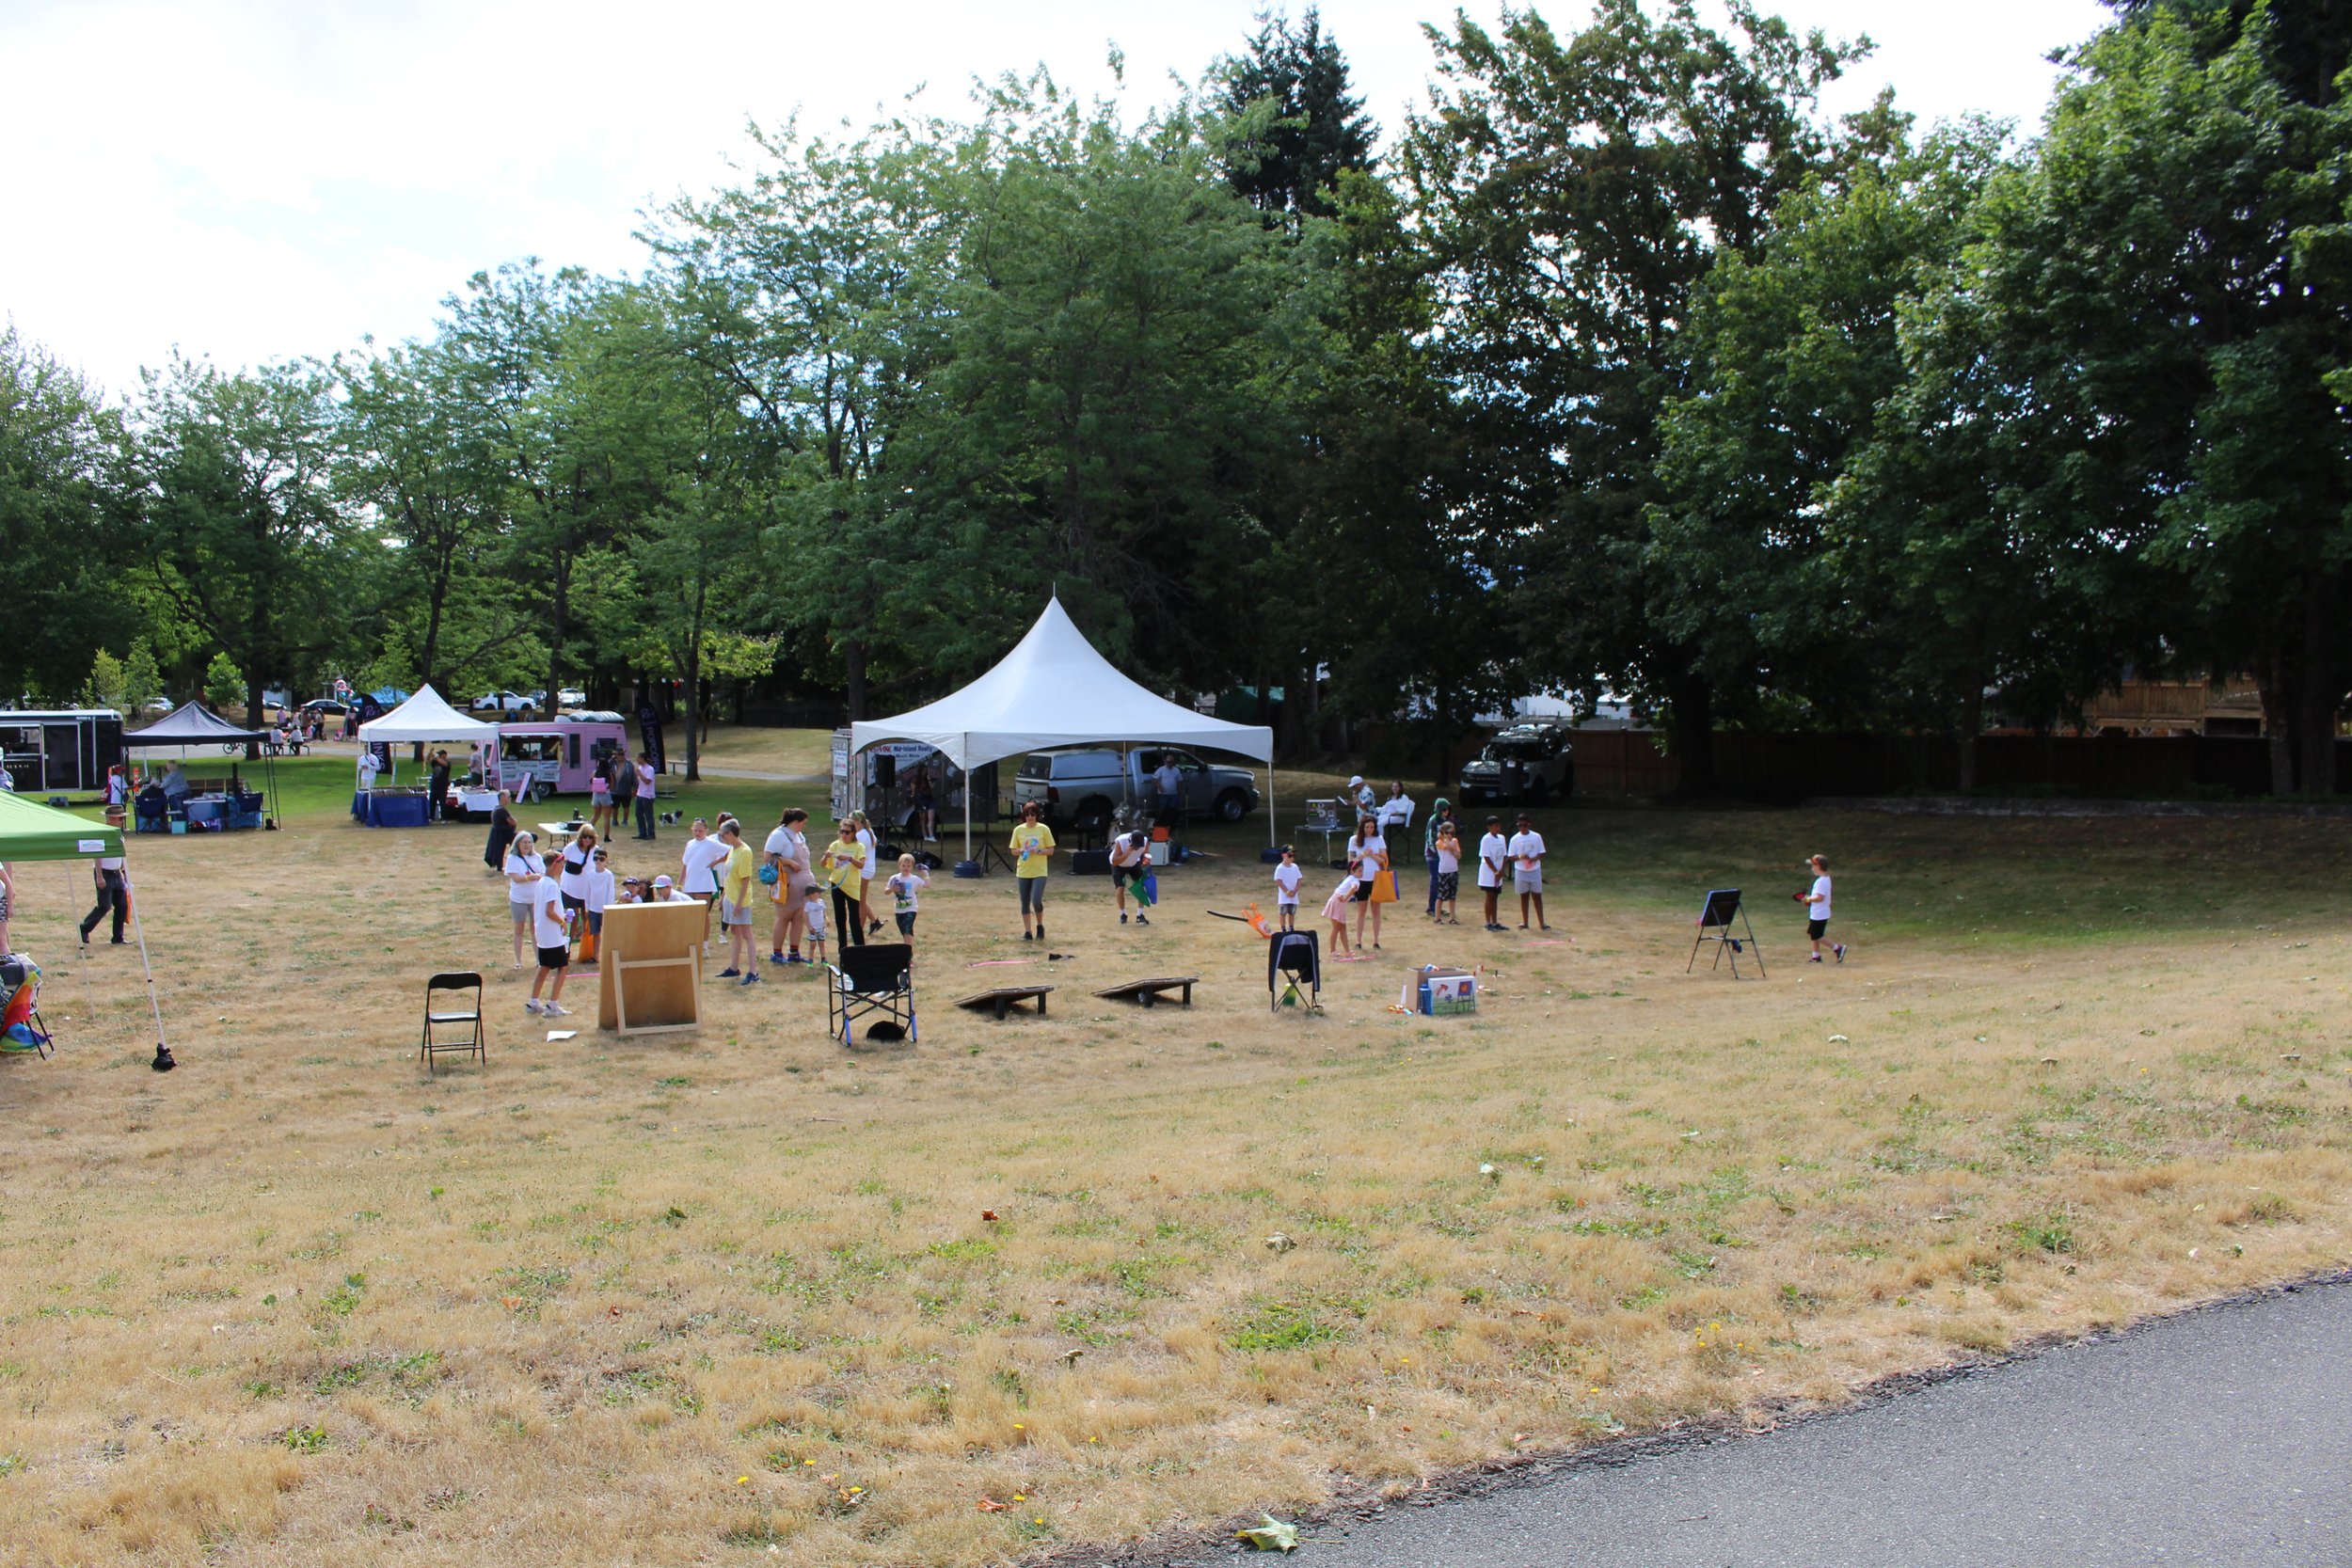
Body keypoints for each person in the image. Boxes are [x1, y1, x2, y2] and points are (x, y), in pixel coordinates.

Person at [766, 807, 814, 965]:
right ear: (795, 822)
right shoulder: (779, 835)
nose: (804, 826)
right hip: (787, 881)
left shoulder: (799, 835)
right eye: (803, 823)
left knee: (799, 918)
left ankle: (794, 952)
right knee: (784, 917)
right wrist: (789, 862)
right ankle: (777, 953)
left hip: (803, 882)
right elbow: (768, 858)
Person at [524, 863, 573, 1017]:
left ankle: (533, 1002)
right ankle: (553, 1005)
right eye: (561, 866)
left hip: (543, 932)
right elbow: (549, 911)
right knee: (563, 967)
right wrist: (562, 922)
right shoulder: (551, 885)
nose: (562, 869)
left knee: (545, 967)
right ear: (553, 865)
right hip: (552, 934)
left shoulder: (541, 882)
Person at [716, 820, 761, 984]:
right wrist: (723, 898)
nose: (721, 837)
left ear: (730, 834)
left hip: (740, 899)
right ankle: (734, 968)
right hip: (730, 897)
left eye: (722, 834)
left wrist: (739, 903)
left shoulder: (745, 851)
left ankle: (753, 972)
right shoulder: (731, 851)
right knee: (735, 931)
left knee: (747, 934)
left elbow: (745, 879)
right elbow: (729, 877)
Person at [678, 818, 729, 954]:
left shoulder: (711, 843)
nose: (697, 833)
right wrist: (680, 882)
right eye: (695, 830)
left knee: (703, 914)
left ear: (706, 830)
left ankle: (704, 945)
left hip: (704, 882)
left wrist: (715, 862)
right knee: (690, 914)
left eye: (700, 830)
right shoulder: (690, 844)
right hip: (690, 882)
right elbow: (685, 863)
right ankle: (691, 942)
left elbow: (730, 851)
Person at [1009, 801, 1056, 942]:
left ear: (1037, 815)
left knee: (1036, 900)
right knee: (1024, 902)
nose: (1030, 817)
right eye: (1027, 814)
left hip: (1039, 871)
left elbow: (1051, 850)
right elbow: (1013, 851)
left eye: (1033, 814)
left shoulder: (1044, 829)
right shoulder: (1018, 830)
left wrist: (1039, 850)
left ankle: (1040, 925)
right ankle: (1028, 932)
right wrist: (1021, 850)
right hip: (1023, 871)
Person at [818, 819, 869, 949]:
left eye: (847, 832)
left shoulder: (858, 847)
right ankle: (843, 949)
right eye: (842, 832)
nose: (844, 835)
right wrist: (825, 857)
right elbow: (823, 865)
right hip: (837, 884)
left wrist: (849, 858)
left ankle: (860, 949)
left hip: (852, 887)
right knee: (840, 919)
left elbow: (862, 865)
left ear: (853, 833)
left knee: (854, 920)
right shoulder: (835, 845)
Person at [503, 831, 546, 969]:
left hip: (535, 898)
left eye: (529, 842)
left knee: (535, 928)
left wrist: (538, 877)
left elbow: (543, 873)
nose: (527, 845)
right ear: (518, 844)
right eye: (524, 843)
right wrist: (530, 877)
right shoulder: (512, 858)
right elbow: (515, 878)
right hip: (519, 899)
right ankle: (518, 961)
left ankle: (539, 959)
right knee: (519, 929)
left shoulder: (537, 857)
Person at [1347, 815, 1388, 951]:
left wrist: (1372, 855)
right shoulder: (1353, 840)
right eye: (1367, 827)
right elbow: (1351, 862)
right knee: (1361, 910)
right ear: (1362, 827)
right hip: (1361, 880)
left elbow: (1383, 860)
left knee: (1376, 910)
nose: (1369, 830)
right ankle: (1358, 941)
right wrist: (1363, 855)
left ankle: (1376, 941)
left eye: (1372, 827)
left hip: (1376, 879)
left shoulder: (1379, 839)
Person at [1508, 813, 1549, 930]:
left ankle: (1542, 923)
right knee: (1524, 896)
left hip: (1534, 870)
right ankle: (1525, 922)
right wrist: (1521, 856)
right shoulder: (1515, 839)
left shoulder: (1536, 836)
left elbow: (1542, 852)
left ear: (1529, 824)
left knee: (1537, 896)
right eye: (1520, 826)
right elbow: (1511, 856)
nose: (1522, 828)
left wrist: (1534, 858)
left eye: (1524, 825)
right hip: (1521, 870)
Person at [1800, 854, 1844, 962]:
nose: (1812, 868)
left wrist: (1808, 899)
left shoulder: (1821, 881)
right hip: (1818, 912)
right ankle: (1816, 956)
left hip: (1819, 913)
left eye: (1813, 866)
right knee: (1813, 933)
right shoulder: (1825, 879)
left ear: (1818, 866)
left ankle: (1837, 948)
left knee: (1817, 935)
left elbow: (1820, 897)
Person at [79, 851, 129, 945]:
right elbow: (97, 856)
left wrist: (124, 871)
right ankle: (84, 928)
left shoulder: (120, 838)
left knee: (122, 906)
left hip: (117, 873)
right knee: (105, 905)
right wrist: (99, 876)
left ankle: (118, 937)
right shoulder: (104, 838)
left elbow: (121, 854)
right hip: (105, 873)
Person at [581, 845, 616, 960]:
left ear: (606, 860)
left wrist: (609, 908)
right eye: (595, 858)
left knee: (607, 933)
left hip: (604, 909)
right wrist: (587, 907)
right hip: (593, 909)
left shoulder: (608, 875)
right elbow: (587, 891)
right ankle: (596, 956)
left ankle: (608, 956)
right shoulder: (590, 874)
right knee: (595, 933)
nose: (598, 861)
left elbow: (610, 893)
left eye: (601, 859)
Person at [884, 854, 929, 945]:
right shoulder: (894, 878)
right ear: (899, 866)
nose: (906, 868)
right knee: (903, 930)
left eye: (909, 866)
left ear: (912, 867)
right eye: (903, 865)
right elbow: (886, 891)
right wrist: (892, 889)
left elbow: (927, 885)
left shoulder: (914, 879)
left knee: (907, 930)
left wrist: (925, 874)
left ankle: (908, 953)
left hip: (911, 909)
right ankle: (906, 949)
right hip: (899, 910)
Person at [1423, 798, 1456, 917]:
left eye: (1448, 809)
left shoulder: (1448, 820)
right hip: (1433, 855)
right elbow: (1430, 839)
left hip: (1445, 855)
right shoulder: (1433, 820)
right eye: (1443, 809)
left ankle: (1438, 908)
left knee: (1442, 882)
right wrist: (1438, 853)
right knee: (1435, 880)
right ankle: (1431, 907)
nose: (1446, 811)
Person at [1110, 828, 1151, 925]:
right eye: (1135, 846)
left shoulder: (1145, 841)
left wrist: (1146, 861)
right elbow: (1115, 861)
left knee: (1141, 886)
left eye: (1138, 846)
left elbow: (1147, 854)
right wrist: (1127, 853)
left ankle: (1140, 915)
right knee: (1120, 888)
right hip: (1119, 865)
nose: (1137, 848)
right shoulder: (1121, 841)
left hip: (1133, 863)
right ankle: (1123, 914)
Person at [851, 812, 882, 935]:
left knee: (860, 901)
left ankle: (859, 929)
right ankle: (874, 921)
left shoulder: (861, 835)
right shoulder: (868, 832)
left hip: (863, 870)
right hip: (868, 869)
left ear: (857, 822)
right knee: (861, 899)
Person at [557, 826, 598, 916]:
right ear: (580, 836)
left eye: (590, 837)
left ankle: (584, 931)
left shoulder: (596, 850)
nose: (587, 839)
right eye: (585, 836)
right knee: (572, 917)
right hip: (569, 889)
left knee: (586, 916)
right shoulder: (571, 847)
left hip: (586, 889)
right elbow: (561, 862)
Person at [1477, 816, 1508, 931]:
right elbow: (1486, 856)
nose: (1498, 828)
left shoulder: (1501, 838)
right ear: (1489, 827)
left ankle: (1495, 921)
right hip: (1489, 872)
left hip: (1498, 872)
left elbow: (1505, 855)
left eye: (1499, 826)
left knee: (1495, 897)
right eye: (1495, 826)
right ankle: (1488, 921)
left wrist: (1501, 870)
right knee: (1489, 896)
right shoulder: (1486, 839)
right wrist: (1495, 871)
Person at [1320, 869, 1359, 958]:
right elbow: (1353, 888)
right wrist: (1345, 897)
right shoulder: (1354, 880)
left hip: (1339, 902)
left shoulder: (1350, 878)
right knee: (1336, 928)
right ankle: (1332, 951)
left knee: (1342, 928)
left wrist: (1345, 897)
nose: (1361, 873)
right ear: (1352, 871)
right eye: (1359, 871)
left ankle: (1347, 951)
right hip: (1337, 902)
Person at [1433, 820, 1462, 925]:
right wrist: (1443, 838)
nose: (1450, 835)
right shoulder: (1439, 843)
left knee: (1452, 896)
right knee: (1441, 895)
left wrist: (1454, 849)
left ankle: (1452, 917)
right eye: (1447, 833)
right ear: (1443, 833)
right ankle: (1437, 917)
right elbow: (1445, 846)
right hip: (1444, 871)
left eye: (1452, 833)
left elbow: (1458, 856)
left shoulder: (1454, 841)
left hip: (1453, 870)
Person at [484, 790, 518, 875]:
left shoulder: (498, 808)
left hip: (500, 833)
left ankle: (503, 866)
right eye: (508, 797)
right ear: (503, 798)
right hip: (503, 833)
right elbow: (513, 821)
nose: (510, 798)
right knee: (522, 840)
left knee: (501, 850)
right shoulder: (501, 810)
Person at [1272, 845, 1303, 932]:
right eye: (1290, 855)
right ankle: (1283, 928)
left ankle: (1291, 927)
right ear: (1283, 855)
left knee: (1292, 911)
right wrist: (1286, 891)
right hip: (1284, 895)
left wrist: (1295, 891)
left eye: (1293, 855)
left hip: (1293, 895)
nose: (1292, 858)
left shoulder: (1295, 867)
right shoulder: (1280, 868)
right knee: (1283, 912)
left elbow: (1299, 879)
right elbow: (1278, 881)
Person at [1377, 782, 1415, 853]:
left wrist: (1397, 812)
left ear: (1400, 788)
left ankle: (1381, 844)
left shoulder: (1404, 797)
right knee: (1376, 821)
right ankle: (1375, 842)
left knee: (1380, 824)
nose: (1395, 788)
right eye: (1393, 786)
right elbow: (1385, 808)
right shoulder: (1390, 797)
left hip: (1399, 817)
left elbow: (1405, 809)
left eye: (1397, 786)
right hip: (1388, 815)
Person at [612, 747, 638, 838]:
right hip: (615, 790)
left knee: (626, 806)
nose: (621, 756)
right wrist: (612, 758)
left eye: (622, 754)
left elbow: (634, 776)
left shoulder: (629, 764)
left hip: (627, 790)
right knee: (615, 807)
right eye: (619, 754)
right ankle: (614, 820)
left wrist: (635, 787)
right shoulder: (613, 764)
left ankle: (625, 821)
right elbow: (605, 766)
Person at [1152, 753, 1183, 828]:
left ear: (1173, 762)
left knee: (1172, 810)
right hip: (1163, 795)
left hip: (1173, 794)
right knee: (1163, 810)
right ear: (1165, 762)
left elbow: (1180, 781)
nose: (1168, 763)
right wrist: (1160, 787)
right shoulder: (1161, 769)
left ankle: (1171, 825)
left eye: (1170, 762)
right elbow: (1154, 779)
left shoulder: (1176, 770)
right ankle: (1163, 826)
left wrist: (1179, 790)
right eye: (1167, 762)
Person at [588, 753, 614, 839]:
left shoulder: (595, 772)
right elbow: (612, 785)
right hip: (605, 795)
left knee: (595, 816)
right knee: (606, 817)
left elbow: (591, 782)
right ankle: (606, 836)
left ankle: (587, 833)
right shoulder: (608, 773)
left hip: (596, 795)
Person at [803, 884, 829, 965]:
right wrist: (809, 926)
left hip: (821, 927)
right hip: (813, 929)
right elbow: (805, 917)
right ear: (811, 894)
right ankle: (810, 960)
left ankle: (823, 959)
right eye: (818, 892)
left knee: (821, 943)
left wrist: (826, 919)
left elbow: (824, 911)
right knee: (812, 944)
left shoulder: (821, 901)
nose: (820, 894)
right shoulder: (808, 905)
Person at [634, 752, 659, 840]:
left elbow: (648, 782)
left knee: (649, 815)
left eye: (638, 758)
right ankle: (642, 833)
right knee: (638, 814)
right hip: (640, 794)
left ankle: (651, 833)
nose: (637, 760)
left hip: (648, 795)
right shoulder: (640, 768)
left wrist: (640, 774)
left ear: (643, 759)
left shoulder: (650, 769)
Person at [426, 749, 452, 824]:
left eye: (441, 755)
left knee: (442, 802)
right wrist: (430, 753)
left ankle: (444, 818)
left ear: (445, 755)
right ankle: (431, 817)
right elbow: (428, 760)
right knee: (432, 801)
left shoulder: (447, 763)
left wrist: (436, 757)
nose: (439, 756)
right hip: (434, 784)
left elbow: (444, 763)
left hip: (442, 785)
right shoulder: (435, 762)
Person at [913, 767, 938, 842]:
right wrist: (914, 802)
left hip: (930, 799)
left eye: (926, 770)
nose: (925, 772)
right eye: (924, 770)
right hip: (921, 800)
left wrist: (929, 780)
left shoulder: (928, 779)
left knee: (931, 818)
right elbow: (914, 792)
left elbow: (932, 787)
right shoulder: (915, 780)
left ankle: (931, 835)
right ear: (920, 771)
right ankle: (925, 836)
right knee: (923, 819)